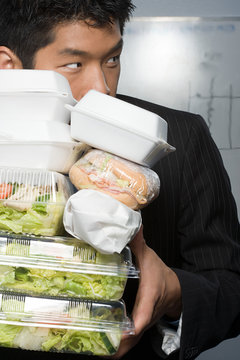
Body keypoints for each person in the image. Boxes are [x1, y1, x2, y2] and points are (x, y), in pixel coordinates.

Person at [0, 1, 240, 359]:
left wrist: (172, 291)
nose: (101, 87)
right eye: (74, 64)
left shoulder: (182, 138)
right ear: (9, 66)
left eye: (112, 59)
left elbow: (231, 289)